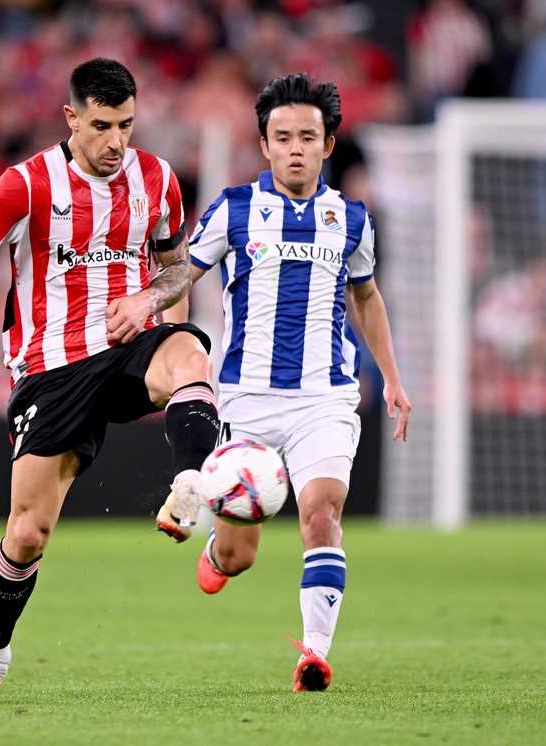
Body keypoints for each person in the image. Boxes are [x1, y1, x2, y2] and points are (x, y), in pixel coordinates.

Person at [0, 58, 219, 705]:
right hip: (51, 371)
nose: (116, 142)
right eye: (102, 126)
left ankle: (191, 483)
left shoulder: (156, 179)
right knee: (26, 533)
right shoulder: (28, 185)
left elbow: (177, 266)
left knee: (191, 357)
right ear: (71, 118)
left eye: (127, 125)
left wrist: (157, 314)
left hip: (128, 346)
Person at [161, 73, 411, 692]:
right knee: (240, 554)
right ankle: (217, 551)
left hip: (324, 397)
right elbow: (180, 279)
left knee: (321, 513)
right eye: (282, 137)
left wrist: (396, 380)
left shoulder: (351, 220)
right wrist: (162, 335)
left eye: (308, 136)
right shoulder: (233, 209)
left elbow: (369, 297)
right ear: (264, 145)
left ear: (328, 145)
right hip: (245, 398)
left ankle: (314, 655)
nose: (295, 147)